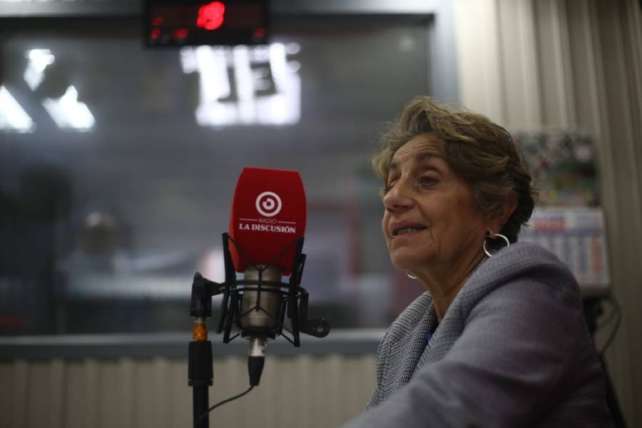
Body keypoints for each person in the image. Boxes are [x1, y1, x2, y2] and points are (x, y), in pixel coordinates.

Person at [342, 97, 613, 427]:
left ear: (496, 208)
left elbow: (450, 408)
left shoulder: (534, 291)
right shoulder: (403, 335)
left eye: (427, 180)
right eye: (390, 183)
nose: (391, 198)